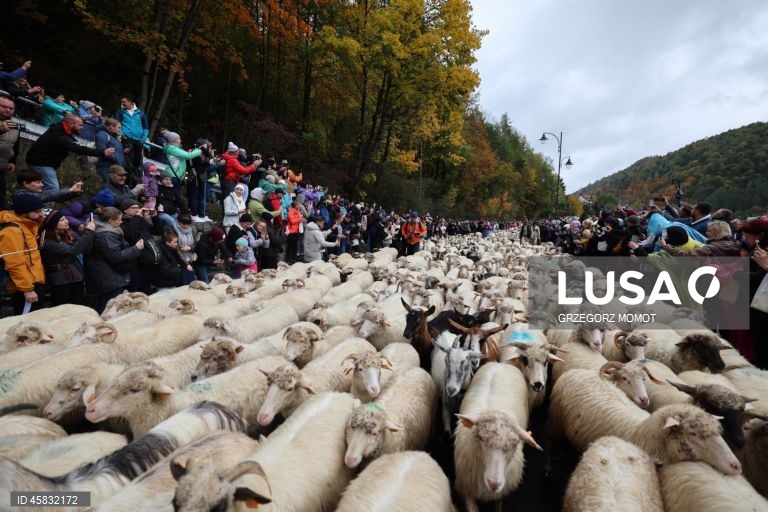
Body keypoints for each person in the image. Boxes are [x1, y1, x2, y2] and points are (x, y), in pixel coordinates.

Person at [25, 113, 116, 193]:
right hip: (41, 163)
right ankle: (44, 206)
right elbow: (79, 149)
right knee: (53, 188)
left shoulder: (63, 128)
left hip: (43, 162)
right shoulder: (60, 136)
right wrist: (102, 152)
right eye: (80, 125)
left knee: (41, 186)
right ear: (71, 124)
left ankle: (33, 201)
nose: (82, 127)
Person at [84, 206, 144, 313]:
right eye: (119, 220)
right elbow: (116, 256)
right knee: (108, 308)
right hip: (109, 278)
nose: (121, 222)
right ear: (110, 220)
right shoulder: (106, 235)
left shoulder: (105, 231)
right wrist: (136, 248)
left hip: (107, 276)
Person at [0, 194, 46, 314]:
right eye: (37, 211)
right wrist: (27, 289)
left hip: (34, 281)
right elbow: (14, 263)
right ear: (24, 212)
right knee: (27, 323)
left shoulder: (27, 226)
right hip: (23, 287)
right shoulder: (12, 231)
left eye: (41, 210)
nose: (41, 214)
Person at [39, 209, 95, 306]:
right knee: (61, 307)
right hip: (60, 280)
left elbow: (85, 248)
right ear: (52, 224)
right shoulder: (46, 241)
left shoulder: (69, 234)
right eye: (62, 220)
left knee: (77, 306)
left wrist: (86, 231)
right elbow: (72, 250)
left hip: (77, 276)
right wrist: (88, 232)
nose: (67, 221)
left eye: (65, 218)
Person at [660, 220, 741, 257]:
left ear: (717, 233)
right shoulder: (736, 244)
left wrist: (665, 246)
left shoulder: (712, 248)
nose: (706, 233)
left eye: (709, 231)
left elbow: (688, 255)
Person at [10, 168, 82, 209]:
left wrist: (73, 193)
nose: (42, 185)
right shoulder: (20, 195)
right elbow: (46, 196)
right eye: (38, 182)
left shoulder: (35, 192)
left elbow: (56, 197)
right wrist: (69, 190)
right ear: (26, 184)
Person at [114, 96, 149, 178]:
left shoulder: (141, 113)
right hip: (126, 139)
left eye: (124, 102)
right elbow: (117, 124)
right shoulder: (120, 111)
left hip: (138, 141)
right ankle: (123, 178)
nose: (122, 104)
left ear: (130, 102)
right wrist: (122, 135)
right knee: (126, 160)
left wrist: (143, 139)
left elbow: (146, 128)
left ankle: (133, 180)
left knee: (136, 162)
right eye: (122, 102)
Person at [0, 95, 21, 209]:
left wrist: (12, 161)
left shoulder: (15, 125)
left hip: (2, 168)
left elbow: (15, 145)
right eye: (4, 106)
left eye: (11, 108)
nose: (8, 110)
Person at [94, 118, 128, 182]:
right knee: (108, 186)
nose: (120, 130)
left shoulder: (115, 138)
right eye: (119, 128)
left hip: (115, 169)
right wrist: (116, 159)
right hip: (106, 167)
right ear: (112, 126)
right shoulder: (102, 134)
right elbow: (101, 150)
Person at [172, 213, 198, 284]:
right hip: (179, 260)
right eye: (183, 224)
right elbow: (176, 248)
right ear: (179, 222)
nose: (186, 226)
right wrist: (186, 263)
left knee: (191, 281)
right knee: (184, 282)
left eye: (188, 224)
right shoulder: (173, 229)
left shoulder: (192, 229)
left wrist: (190, 248)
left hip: (190, 258)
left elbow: (195, 243)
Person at [285, 197, 303, 264]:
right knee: (290, 246)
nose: (299, 206)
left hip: (296, 231)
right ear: (295, 206)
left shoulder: (297, 211)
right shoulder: (290, 212)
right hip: (291, 231)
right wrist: (300, 218)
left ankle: (294, 258)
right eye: (298, 205)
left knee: (295, 245)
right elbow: (292, 221)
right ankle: (288, 258)